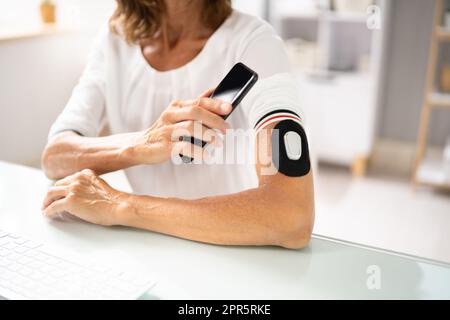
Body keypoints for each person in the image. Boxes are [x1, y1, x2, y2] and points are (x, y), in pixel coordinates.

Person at [41, 0, 314, 249]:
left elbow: (291, 213)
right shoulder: (115, 40)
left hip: (229, 251)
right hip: (149, 249)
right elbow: (55, 157)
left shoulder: (255, 42)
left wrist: (120, 205)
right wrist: (140, 145)